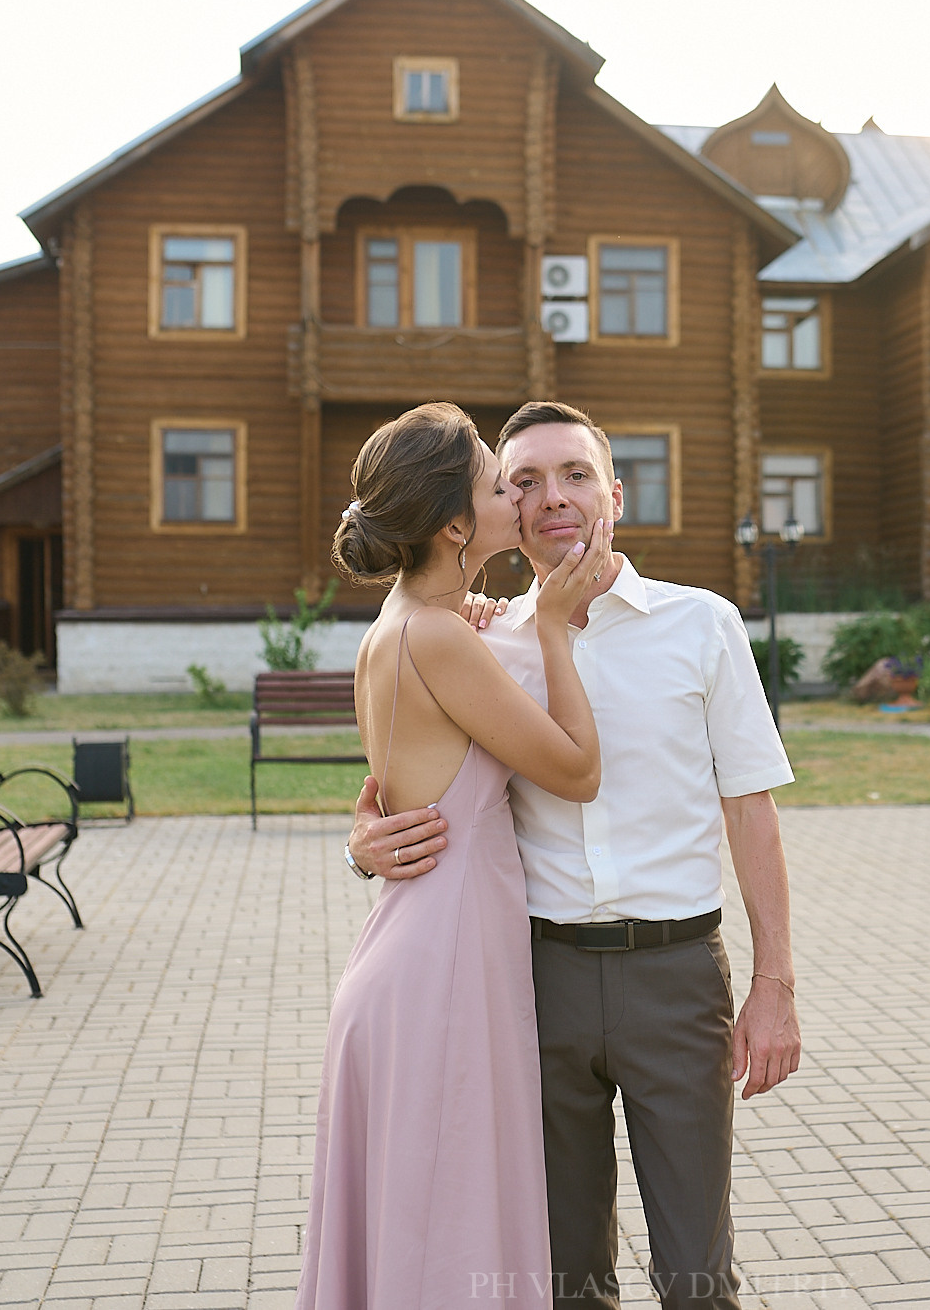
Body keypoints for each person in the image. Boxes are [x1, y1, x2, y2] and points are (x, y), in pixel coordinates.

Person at [347, 401, 803, 1310]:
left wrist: (775, 984)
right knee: (563, 1279)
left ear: (614, 496)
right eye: (523, 481)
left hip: (678, 980)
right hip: (534, 983)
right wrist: (364, 844)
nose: (552, 496)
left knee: (697, 1276)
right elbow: (409, 774)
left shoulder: (703, 624)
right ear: (498, 511)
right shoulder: (479, 637)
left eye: (575, 475)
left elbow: (751, 809)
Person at [295, 402, 615, 1310]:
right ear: (455, 526)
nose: (520, 496)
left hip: (418, 946)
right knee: (447, 1222)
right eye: (498, 484)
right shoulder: (436, 636)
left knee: (425, 1217)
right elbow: (577, 772)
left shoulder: (407, 624)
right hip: (445, 965)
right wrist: (550, 628)